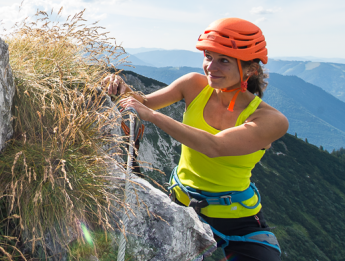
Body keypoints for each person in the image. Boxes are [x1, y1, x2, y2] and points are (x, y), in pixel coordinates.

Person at [104, 18, 289, 260]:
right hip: (182, 202)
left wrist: (154, 117)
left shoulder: (270, 119)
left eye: (224, 60)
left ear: (251, 70)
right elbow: (145, 102)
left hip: (238, 218)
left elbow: (215, 146)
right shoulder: (194, 85)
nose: (211, 67)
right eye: (209, 56)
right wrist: (121, 88)